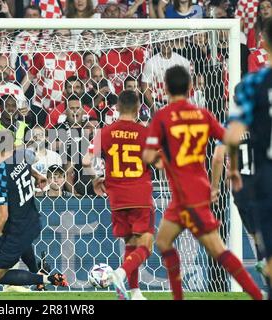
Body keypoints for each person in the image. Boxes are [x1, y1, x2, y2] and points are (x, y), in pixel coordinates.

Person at [142, 65, 262, 300]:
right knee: (163, 241)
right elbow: (229, 139)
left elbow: (147, 157)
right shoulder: (202, 114)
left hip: (189, 195)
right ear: (191, 87)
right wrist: (234, 169)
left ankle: (257, 296)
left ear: (164, 88)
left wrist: (161, 154)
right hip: (193, 191)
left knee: (217, 250)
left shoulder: (163, 117)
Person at [0, 130, 68, 289]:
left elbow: (2, 216)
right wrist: (37, 176)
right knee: (23, 243)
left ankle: (48, 279)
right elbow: (29, 160)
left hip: (16, 229)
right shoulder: (22, 155)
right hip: (33, 220)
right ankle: (39, 275)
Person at [86, 90, 153, 300]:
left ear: (116, 108)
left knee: (131, 243)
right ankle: (120, 274)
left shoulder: (104, 132)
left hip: (116, 198)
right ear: (137, 108)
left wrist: (96, 179)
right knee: (146, 244)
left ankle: (134, 292)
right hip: (140, 195)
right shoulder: (144, 133)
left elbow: (86, 161)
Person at [225, 17, 272, 299]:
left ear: (263, 42)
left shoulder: (252, 85)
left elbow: (229, 141)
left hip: (256, 182)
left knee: (264, 248)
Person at [211, 130, 268, 279]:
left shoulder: (230, 127)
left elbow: (217, 158)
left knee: (256, 234)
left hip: (240, 189)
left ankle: (263, 260)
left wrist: (215, 188)